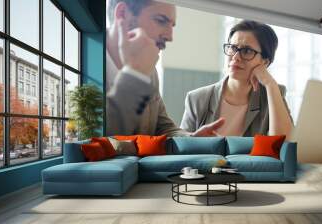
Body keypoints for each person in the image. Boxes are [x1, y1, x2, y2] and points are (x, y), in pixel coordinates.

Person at [106, 0, 224, 137]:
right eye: (161, 21)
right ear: (122, 14)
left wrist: (192, 138)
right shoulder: (84, 69)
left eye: (172, 25)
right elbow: (104, 137)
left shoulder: (149, 70)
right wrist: (135, 75)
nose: (170, 36)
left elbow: (163, 128)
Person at [180, 20, 293, 138]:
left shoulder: (272, 95)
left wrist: (270, 84)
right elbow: (181, 149)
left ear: (264, 62)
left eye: (247, 51)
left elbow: (286, 144)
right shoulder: (198, 99)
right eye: (233, 48)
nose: (236, 57)